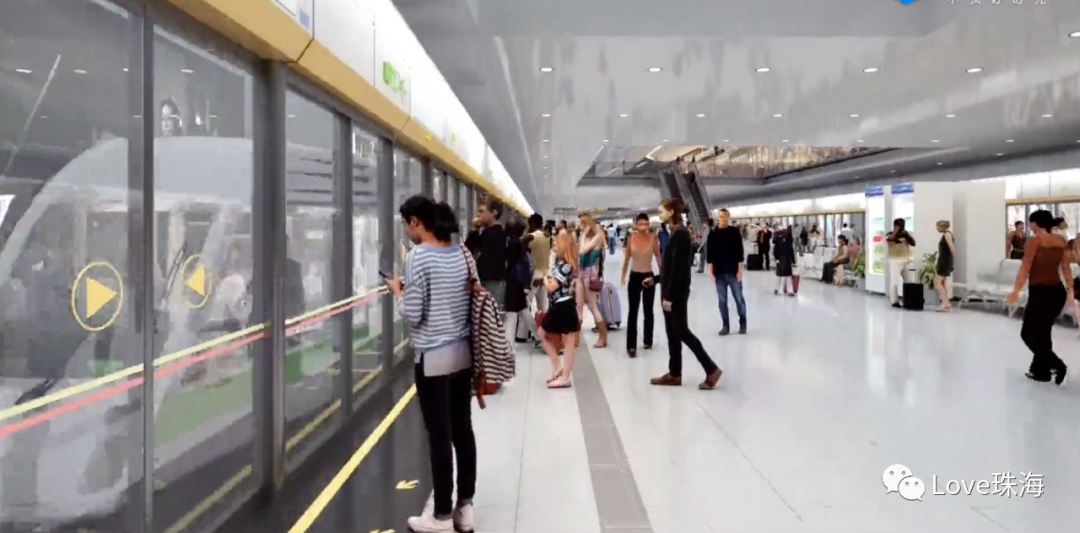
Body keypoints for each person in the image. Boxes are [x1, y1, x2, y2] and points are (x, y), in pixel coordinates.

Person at [388, 197, 477, 533]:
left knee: (439, 437)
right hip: (463, 355)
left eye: (405, 225)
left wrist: (398, 292)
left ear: (415, 221)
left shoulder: (417, 257)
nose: (406, 231)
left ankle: (440, 515)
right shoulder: (462, 253)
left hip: (433, 360)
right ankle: (464, 509)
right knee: (463, 431)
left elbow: (414, 313)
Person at [650, 199, 723, 390]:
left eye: (661, 211)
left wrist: (669, 297)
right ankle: (675, 373)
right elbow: (670, 267)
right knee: (673, 334)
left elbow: (679, 270)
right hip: (670, 291)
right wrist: (656, 280)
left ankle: (711, 369)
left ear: (671, 212)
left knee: (682, 332)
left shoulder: (680, 235)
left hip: (675, 295)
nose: (659, 214)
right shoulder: (675, 233)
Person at [1007, 210, 1070, 386]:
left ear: (1035, 223)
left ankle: (1057, 365)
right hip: (1057, 292)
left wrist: (1016, 291)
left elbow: (1025, 268)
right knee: (1043, 332)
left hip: (1040, 292)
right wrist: (1071, 289)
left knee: (1027, 333)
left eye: (1030, 222)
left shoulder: (1033, 242)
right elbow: (1065, 267)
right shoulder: (1060, 240)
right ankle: (1040, 372)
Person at [541, 232, 581, 388]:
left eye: (556, 243)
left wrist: (545, 279)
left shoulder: (566, 266)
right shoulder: (560, 263)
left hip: (564, 305)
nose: (554, 246)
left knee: (568, 341)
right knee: (545, 335)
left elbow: (552, 286)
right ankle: (559, 367)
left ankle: (565, 376)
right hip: (558, 305)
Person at [621, 213, 661, 358]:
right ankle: (631, 345)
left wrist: (662, 275)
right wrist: (623, 274)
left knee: (648, 310)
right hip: (634, 276)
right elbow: (627, 257)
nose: (643, 227)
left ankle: (647, 340)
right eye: (641, 224)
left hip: (648, 276)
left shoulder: (653, 238)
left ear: (649, 224)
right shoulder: (631, 238)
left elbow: (658, 256)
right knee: (633, 311)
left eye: (646, 224)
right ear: (636, 224)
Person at [707, 208, 747, 335]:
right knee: (722, 301)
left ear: (728, 217)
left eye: (725, 216)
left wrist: (739, 270)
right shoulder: (713, 234)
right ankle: (725, 325)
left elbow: (740, 252)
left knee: (739, 299)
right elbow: (709, 255)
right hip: (719, 273)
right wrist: (710, 272)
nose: (723, 219)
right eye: (720, 216)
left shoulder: (734, 232)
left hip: (733, 272)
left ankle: (743, 322)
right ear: (717, 218)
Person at [464, 196, 507, 310]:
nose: (478, 215)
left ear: (494, 213)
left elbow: (467, 249)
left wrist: (474, 229)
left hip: (490, 283)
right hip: (493, 283)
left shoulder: (491, 235)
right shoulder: (497, 233)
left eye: (481, 211)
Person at [576, 212, 609, 348]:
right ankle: (576, 336)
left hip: (590, 274)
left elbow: (583, 251)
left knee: (592, 305)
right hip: (581, 272)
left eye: (580, 223)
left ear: (586, 224)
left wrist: (584, 235)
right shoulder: (585, 237)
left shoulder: (598, 237)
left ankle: (603, 336)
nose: (578, 225)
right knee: (578, 305)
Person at [503, 219, 530, 344]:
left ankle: (508, 342)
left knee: (511, 313)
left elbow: (508, 262)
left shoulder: (512, 243)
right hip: (519, 280)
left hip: (512, 280)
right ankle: (540, 336)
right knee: (523, 310)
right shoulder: (520, 242)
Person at [886, 218, 916, 308]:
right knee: (894, 282)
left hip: (906, 260)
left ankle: (908, 300)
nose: (902, 227)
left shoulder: (906, 235)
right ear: (895, 226)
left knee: (909, 281)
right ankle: (894, 301)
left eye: (903, 225)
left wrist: (906, 235)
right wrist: (896, 231)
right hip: (895, 261)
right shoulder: (889, 234)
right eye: (900, 225)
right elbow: (891, 238)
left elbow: (913, 243)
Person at [935, 220, 956, 312]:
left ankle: (944, 302)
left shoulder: (947, 234)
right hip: (944, 260)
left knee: (937, 282)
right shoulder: (946, 234)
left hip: (945, 261)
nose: (936, 228)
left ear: (942, 227)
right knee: (943, 283)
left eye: (937, 227)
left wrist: (950, 260)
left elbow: (952, 247)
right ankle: (946, 303)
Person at [774, 227, 796, 296]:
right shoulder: (786, 240)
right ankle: (788, 290)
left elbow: (776, 250)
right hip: (784, 259)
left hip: (783, 259)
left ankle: (777, 289)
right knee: (786, 275)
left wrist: (777, 258)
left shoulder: (785, 240)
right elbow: (790, 250)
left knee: (781, 275)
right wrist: (793, 260)